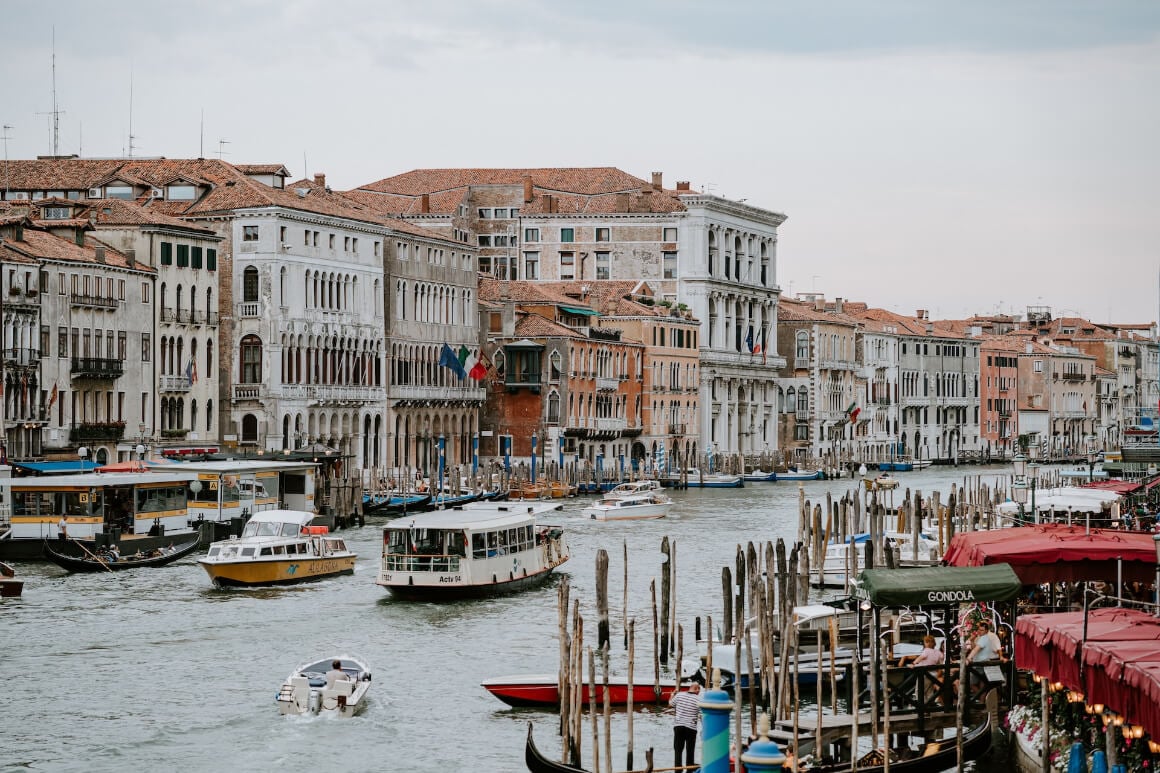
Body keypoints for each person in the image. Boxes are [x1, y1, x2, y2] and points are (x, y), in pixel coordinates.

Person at [669, 681, 701, 770]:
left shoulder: (679, 695)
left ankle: (678, 769)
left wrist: (672, 694)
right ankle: (689, 769)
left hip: (678, 726)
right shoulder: (698, 699)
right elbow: (702, 715)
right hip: (691, 728)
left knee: (678, 750)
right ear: (697, 689)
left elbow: (670, 704)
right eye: (699, 690)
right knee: (690, 750)